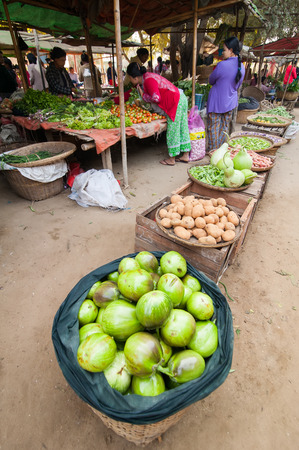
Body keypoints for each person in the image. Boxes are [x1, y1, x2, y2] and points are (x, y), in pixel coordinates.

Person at [126, 62, 191, 166]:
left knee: (173, 129)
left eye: (129, 77)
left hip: (174, 102)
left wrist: (144, 97)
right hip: (180, 97)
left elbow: (156, 98)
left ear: (133, 77)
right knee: (183, 127)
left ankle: (172, 158)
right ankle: (185, 155)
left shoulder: (148, 80)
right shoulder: (147, 77)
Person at [206, 36, 245, 151]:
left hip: (216, 102)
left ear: (231, 50)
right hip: (230, 102)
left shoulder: (222, 65)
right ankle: (222, 151)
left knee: (213, 128)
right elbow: (237, 86)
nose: (222, 52)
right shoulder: (241, 67)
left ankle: (213, 152)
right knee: (224, 127)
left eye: (224, 50)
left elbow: (211, 80)